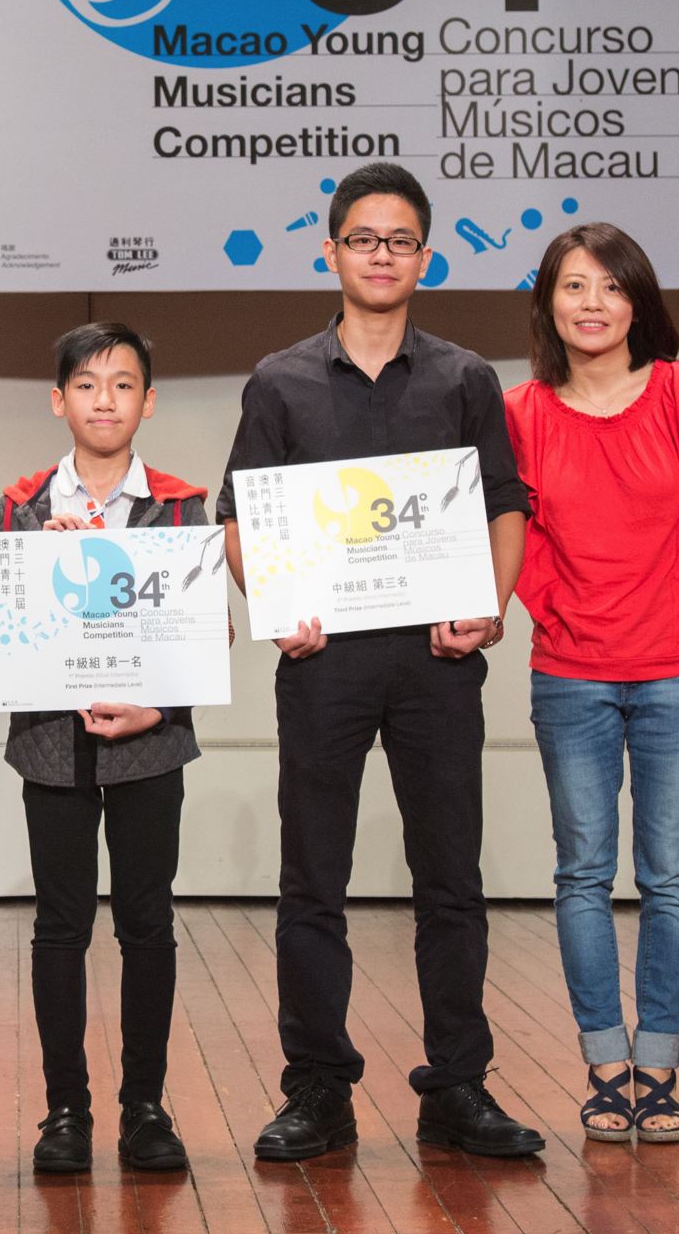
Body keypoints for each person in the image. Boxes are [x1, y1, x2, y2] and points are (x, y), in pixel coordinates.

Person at [218, 161, 546, 1161]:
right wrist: (277, 608)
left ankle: (457, 1085)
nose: (381, 255)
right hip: (322, 662)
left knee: (449, 876)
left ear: (424, 257)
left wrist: (488, 606)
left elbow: (504, 503)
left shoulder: (464, 378)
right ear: (331, 251)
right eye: (363, 238)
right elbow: (238, 517)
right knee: (311, 878)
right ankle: (317, 1086)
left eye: (400, 240)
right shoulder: (279, 379)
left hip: (436, 663)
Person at [503, 223, 679, 1145]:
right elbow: (505, 535)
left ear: (638, 301)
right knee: (581, 871)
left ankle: (661, 1067)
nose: (593, 303)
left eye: (611, 285)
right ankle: (606, 1067)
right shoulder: (519, 412)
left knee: (671, 874)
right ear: (549, 303)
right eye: (574, 286)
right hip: (571, 674)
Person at [0, 322, 207, 1175]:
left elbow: (206, 634)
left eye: (124, 384)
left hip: (150, 743)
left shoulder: (179, 504)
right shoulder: (21, 503)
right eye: (87, 385)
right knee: (60, 927)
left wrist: (156, 708)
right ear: (57, 399)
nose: (106, 400)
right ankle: (64, 1111)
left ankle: (146, 1107)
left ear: (149, 400)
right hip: (52, 744)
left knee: (148, 924)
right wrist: (35, 568)